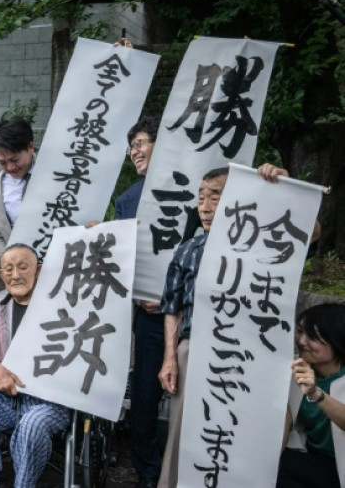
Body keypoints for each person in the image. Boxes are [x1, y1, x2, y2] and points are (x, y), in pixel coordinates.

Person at [156, 163, 291, 488]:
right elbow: (172, 307)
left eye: (214, 197)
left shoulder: (263, 244)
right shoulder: (188, 250)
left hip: (248, 356)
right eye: (200, 198)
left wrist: (283, 190)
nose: (204, 206)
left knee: (237, 436)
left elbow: (309, 234)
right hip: (195, 349)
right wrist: (171, 357)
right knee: (183, 432)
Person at [0, 243, 70, 488]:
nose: (16, 275)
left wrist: (93, 239)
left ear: (39, 270)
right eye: (8, 269)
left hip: (48, 400)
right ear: (1, 275)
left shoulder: (63, 304)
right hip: (3, 396)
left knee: (32, 426)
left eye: (23, 267)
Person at [113, 116, 165, 488]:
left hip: (197, 317)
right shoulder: (127, 201)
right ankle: (148, 472)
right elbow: (121, 261)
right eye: (132, 146)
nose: (135, 151)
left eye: (142, 142)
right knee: (144, 395)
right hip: (147, 316)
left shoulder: (201, 192)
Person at [280, 303, 345, 487]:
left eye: (312, 336)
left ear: (336, 338)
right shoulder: (296, 370)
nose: (301, 341)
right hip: (313, 458)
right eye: (299, 331)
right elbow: (284, 425)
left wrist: (315, 393)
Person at [0, 117, 36, 258]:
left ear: (30, 147)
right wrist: (8, 262)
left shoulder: (53, 175)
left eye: (15, 159)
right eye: (2, 163)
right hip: (18, 270)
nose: (11, 167)